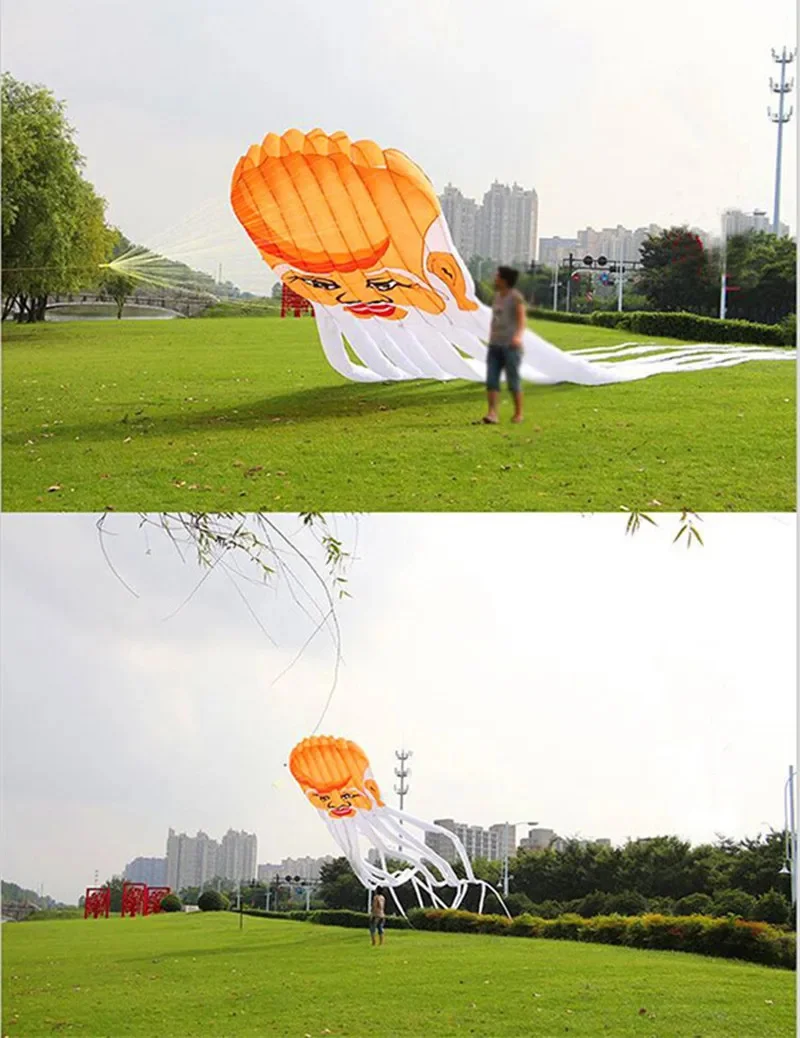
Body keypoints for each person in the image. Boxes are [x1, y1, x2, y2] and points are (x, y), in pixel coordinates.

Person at [484, 265, 527, 424]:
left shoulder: (515, 298)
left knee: (513, 380)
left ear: (504, 280)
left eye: (497, 276)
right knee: (492, 380)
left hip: (510, 346)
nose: (495, 278)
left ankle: (518, 413)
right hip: (495, 344)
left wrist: (517, 337)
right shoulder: (496, 297)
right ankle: (492, 413)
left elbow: (521, 320)